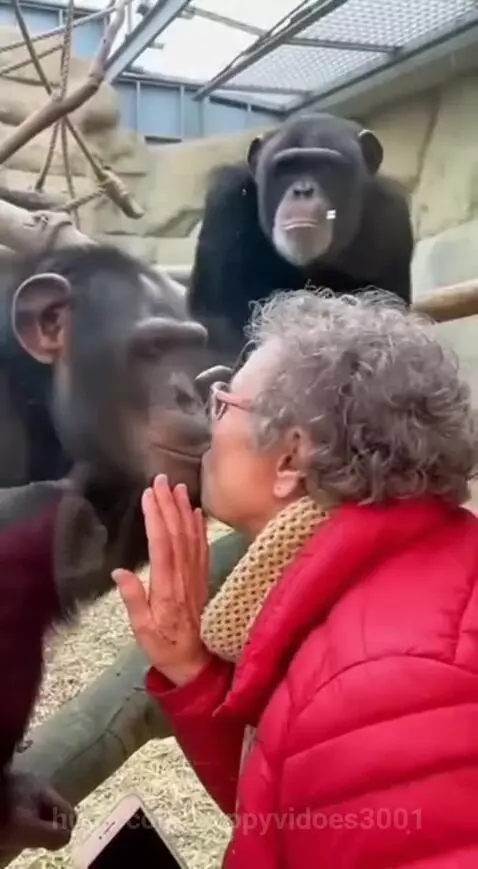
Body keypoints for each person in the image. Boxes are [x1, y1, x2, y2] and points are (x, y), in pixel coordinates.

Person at [114, 288, 478, 868]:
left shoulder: (387, 680)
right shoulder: (410, 574)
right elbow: (308, 807)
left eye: (222, 404)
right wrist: (193, 672)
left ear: (290, 460)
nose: (206, 425)